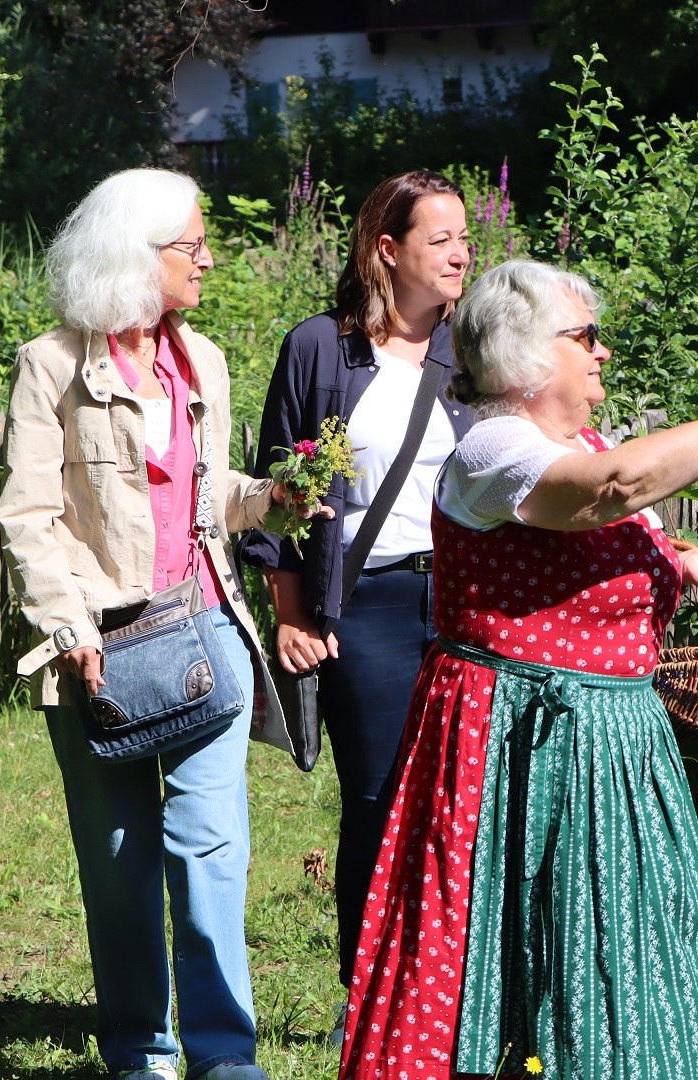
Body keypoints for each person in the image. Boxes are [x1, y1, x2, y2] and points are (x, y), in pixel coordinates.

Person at [339, 259, 698, 1080]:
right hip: (515, 748)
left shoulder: (574, 440)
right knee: (502, 950)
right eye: (585, 336)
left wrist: (678, 567)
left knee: (630, 946)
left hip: (611, 744)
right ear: (526, 357)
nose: (603, 353)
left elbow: (585, 534)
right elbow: (608, 491)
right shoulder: (492, 449)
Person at [0, 168, 315, 1080]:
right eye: (191, 247)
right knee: (121, 868)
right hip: (100, 657)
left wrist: (275, 501)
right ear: (138, 259)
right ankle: (142, 1052)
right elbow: (27, 516)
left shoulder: (202, 360)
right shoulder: (52, 364)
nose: (208, 259)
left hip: (206, 639)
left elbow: (208, 493)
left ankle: (226, 1058)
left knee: (212, 855)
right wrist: (70, 629)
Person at [238, 169, 474, 1040]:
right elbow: (277, 490)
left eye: (463, 238)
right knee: (376, 801)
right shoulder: (320, 351)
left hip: (463, 605)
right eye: (439, 238)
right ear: (388, 249)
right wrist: (291, 614)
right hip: (364, 606)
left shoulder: (476, 350)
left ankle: (453, 997)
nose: (460, 252)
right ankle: (368, 999)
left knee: (463, 802)